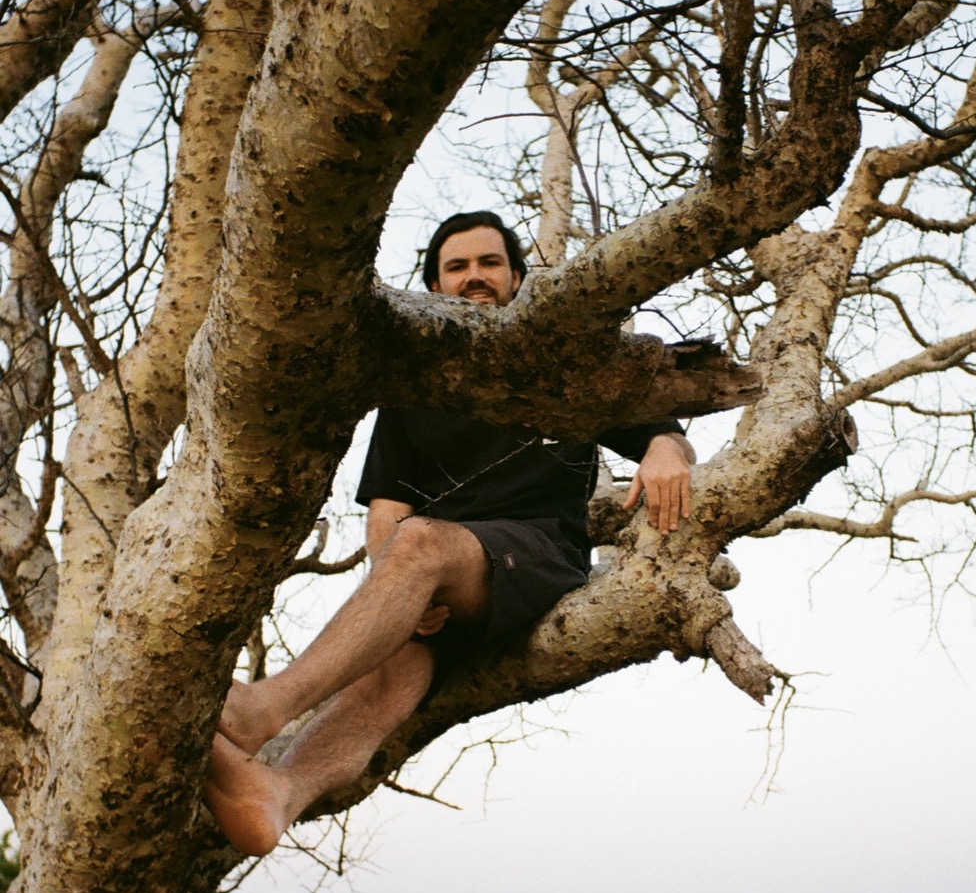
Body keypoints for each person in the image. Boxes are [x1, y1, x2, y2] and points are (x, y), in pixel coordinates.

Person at [205, 209, 696, 856]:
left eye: (489, 263)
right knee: (380, 677)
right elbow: (385, 512)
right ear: (435, 287)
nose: (474, 278)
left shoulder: (559, 365)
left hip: (538, 557)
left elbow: (662, 433)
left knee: (420, 544)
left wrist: (666, 453)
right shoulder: (415, 389)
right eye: (456, 267)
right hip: (443, 582)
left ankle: (261, 709)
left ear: (518, 277)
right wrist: (403, 578)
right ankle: (278, 796)